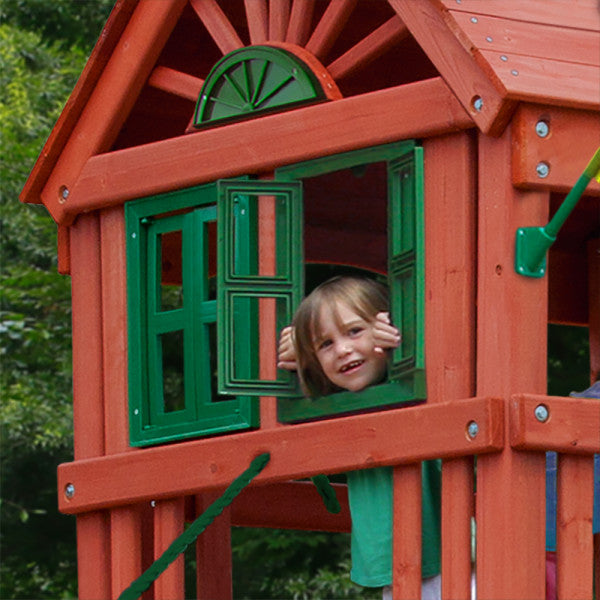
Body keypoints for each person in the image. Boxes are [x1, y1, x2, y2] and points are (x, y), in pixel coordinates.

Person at [278, 276, 441, 599]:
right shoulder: (338, 412)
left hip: (462, 553)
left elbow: (438, 365)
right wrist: (297, 373)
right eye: (325, 344)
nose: (343, 349)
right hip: (397, 572)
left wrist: (406, 340)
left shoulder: (423, 383)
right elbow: (296, 429)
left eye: (355, 331)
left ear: (384, 326)